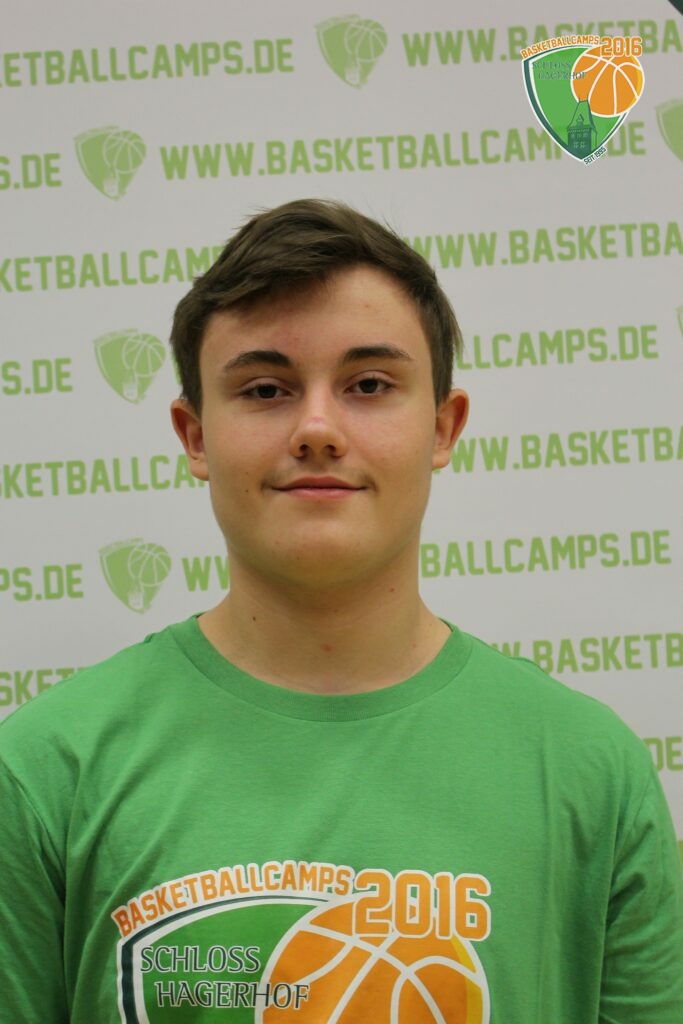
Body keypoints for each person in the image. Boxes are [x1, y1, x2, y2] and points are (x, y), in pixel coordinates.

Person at [0, 199, 681, 1024]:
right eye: (265, 389)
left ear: (442, 426)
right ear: (195, 435)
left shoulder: (588, 769)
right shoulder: (44, 773)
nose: (317, 429)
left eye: (368, 385)